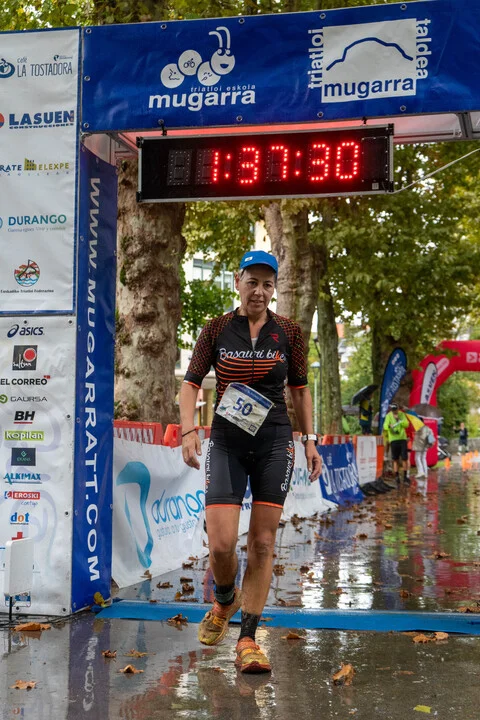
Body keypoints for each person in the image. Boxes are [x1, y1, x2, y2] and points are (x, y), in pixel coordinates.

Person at [179, 249, 322, 674]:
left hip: (275, 441)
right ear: (237, 282)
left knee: (262, 542)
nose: (259, 291)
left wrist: (310, 441)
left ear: (274, 288)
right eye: (252, 282)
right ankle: (225, 598)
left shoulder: (289, 332)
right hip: (227, 441)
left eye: (267, 284)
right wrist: (188, 430)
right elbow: (190, 384)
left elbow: (300, 389)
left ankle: (248, 640)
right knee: (222, 543)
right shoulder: (216, 328)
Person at [383, 403, 410, 486]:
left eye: (396, 409)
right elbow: (385, 426)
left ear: (398, 408)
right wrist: (389, 426)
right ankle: (397, 477)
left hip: (402, 438)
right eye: (393, 410)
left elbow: (407, 424)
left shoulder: (402, 414)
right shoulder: (388, 416)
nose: (395, 411)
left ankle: (405, 477)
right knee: (395, 459)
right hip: (393, 439)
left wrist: (399, 420)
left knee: (404, 458)